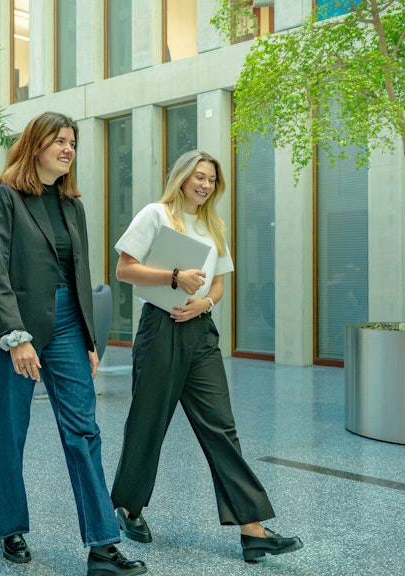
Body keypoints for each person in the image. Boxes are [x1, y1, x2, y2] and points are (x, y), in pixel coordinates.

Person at [108, 150, 303, 564]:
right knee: (149, 422)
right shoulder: (156, 214)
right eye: (198, 176)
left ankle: (252, 530)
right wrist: (174, 278)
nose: (205, 185)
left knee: (221, 426)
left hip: (199, 331)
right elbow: (125, 270)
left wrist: (205, 305)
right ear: (181, 178)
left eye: (212, 179)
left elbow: (217, 285)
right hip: (160, 328)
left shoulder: (215, 224)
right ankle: (128, 507)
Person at [0, 111, 147, 576]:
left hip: (70, 324)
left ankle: (102, 545)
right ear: (35, 145)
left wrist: (90, 339)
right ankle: (8, 526)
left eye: (72, 142)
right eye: (59, 140)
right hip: (18, 329)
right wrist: (15, 337)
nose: (68, 148)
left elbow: (82, 275)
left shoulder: (73, 205)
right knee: (10, 433)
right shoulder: (5, 197)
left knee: (84, 432)